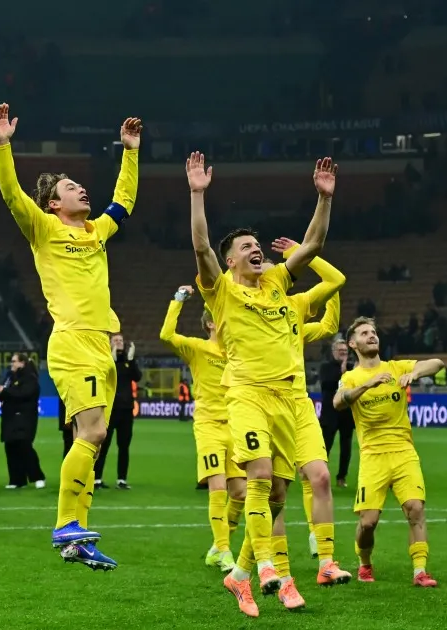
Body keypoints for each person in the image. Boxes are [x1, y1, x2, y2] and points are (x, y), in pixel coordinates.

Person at [0, 102, 141, 570]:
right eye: (70, 187)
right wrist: (2, 145)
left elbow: (124, 202)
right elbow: (12, 195)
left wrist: (130, 152)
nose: (81, 189)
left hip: (102, 344)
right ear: (54, 203)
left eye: (80, 185)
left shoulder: (96, 231)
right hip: (73, 341)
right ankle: (64, 525)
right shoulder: (44, 228)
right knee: (93, 432)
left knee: (92, 438)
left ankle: (78, 537)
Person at [188, 151, 336, 618]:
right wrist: (197, 194)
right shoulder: (222, 290)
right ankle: (273, 570)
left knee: (291, 489)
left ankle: (241, 575)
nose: (256, 249)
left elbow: (312, 244)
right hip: (247, 393)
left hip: (290, 398)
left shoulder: (275, 282)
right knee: (260, 477)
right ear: (231, 260)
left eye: (258, 244)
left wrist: (323, 198)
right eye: (246, 246)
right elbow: (202, 248)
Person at [257, 241, 350, 608]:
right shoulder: (243, 306)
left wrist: (302, 253)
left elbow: (333, 298)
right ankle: (280, 573)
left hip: (299, 404)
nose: (272, 275)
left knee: (321, 477)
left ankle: (326, 562)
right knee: (275, 490)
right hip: (263, 402)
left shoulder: (294, 307)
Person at [333, 317, 444, 588]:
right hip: (373, 457)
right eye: (364, 333)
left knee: (415, 509)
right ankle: (365, 563)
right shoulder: (350, 378)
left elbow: (437, 363)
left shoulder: (395, 367)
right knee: (368, 522)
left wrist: (415, 374)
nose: (372, 335)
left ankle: (420, 571)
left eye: (373, 332)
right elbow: (338, 402)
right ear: (353, 344)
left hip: (404, 452)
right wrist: (367, 385)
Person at [159, 285, 242, 572]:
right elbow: (166, 335)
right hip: (208, 426)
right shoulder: (197, 348)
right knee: (217, 488)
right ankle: (224, 550)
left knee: (241, 493)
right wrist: (178, 300)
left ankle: (218, 545)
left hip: (236, 426)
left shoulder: (237, 353)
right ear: (210, 324)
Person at [93, 335, 141, 489]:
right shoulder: (105, 360)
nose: (119, 342)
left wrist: (132, 360)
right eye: (115, 340)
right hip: (110, 410)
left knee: (124, 446)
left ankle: (122, 479)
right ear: (109, 344)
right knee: (104, 445)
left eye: (120, 340)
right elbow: (106, 376)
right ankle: (97, 479)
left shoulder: (128, 360)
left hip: (126, 410)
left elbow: (137, 377)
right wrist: (112, 360)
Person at [0, 352, 46, 489]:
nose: (11, 364)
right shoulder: (9, 377)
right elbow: (3, 393)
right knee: (10, 447)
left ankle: (37, 477)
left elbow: (24, 394)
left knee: (24, 447)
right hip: (9, 416)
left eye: (14, 361)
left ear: (22, 363)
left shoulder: (30, 378)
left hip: (24, 417)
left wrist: (5, 392)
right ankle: (17, 480)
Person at [319, 339, 352, 486]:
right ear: (333, 352)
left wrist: (347, 370)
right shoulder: (325, 367)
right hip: (329, 413)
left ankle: (341, 477)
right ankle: (320, 474)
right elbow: (326, 384)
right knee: (325, 446)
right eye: (340, 351)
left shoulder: (352, 368)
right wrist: (342, 373)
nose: (343, 353)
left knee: (346, 447)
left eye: (345, 351)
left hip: (346, 413)